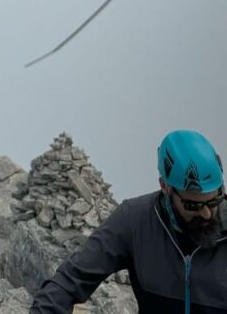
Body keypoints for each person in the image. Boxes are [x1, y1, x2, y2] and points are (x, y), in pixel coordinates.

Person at [31, 129, 227, 314]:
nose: (207, 214)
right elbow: (70, 280)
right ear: (165, 187)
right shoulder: (135, 220)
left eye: (214, 201)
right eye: (192, 205)